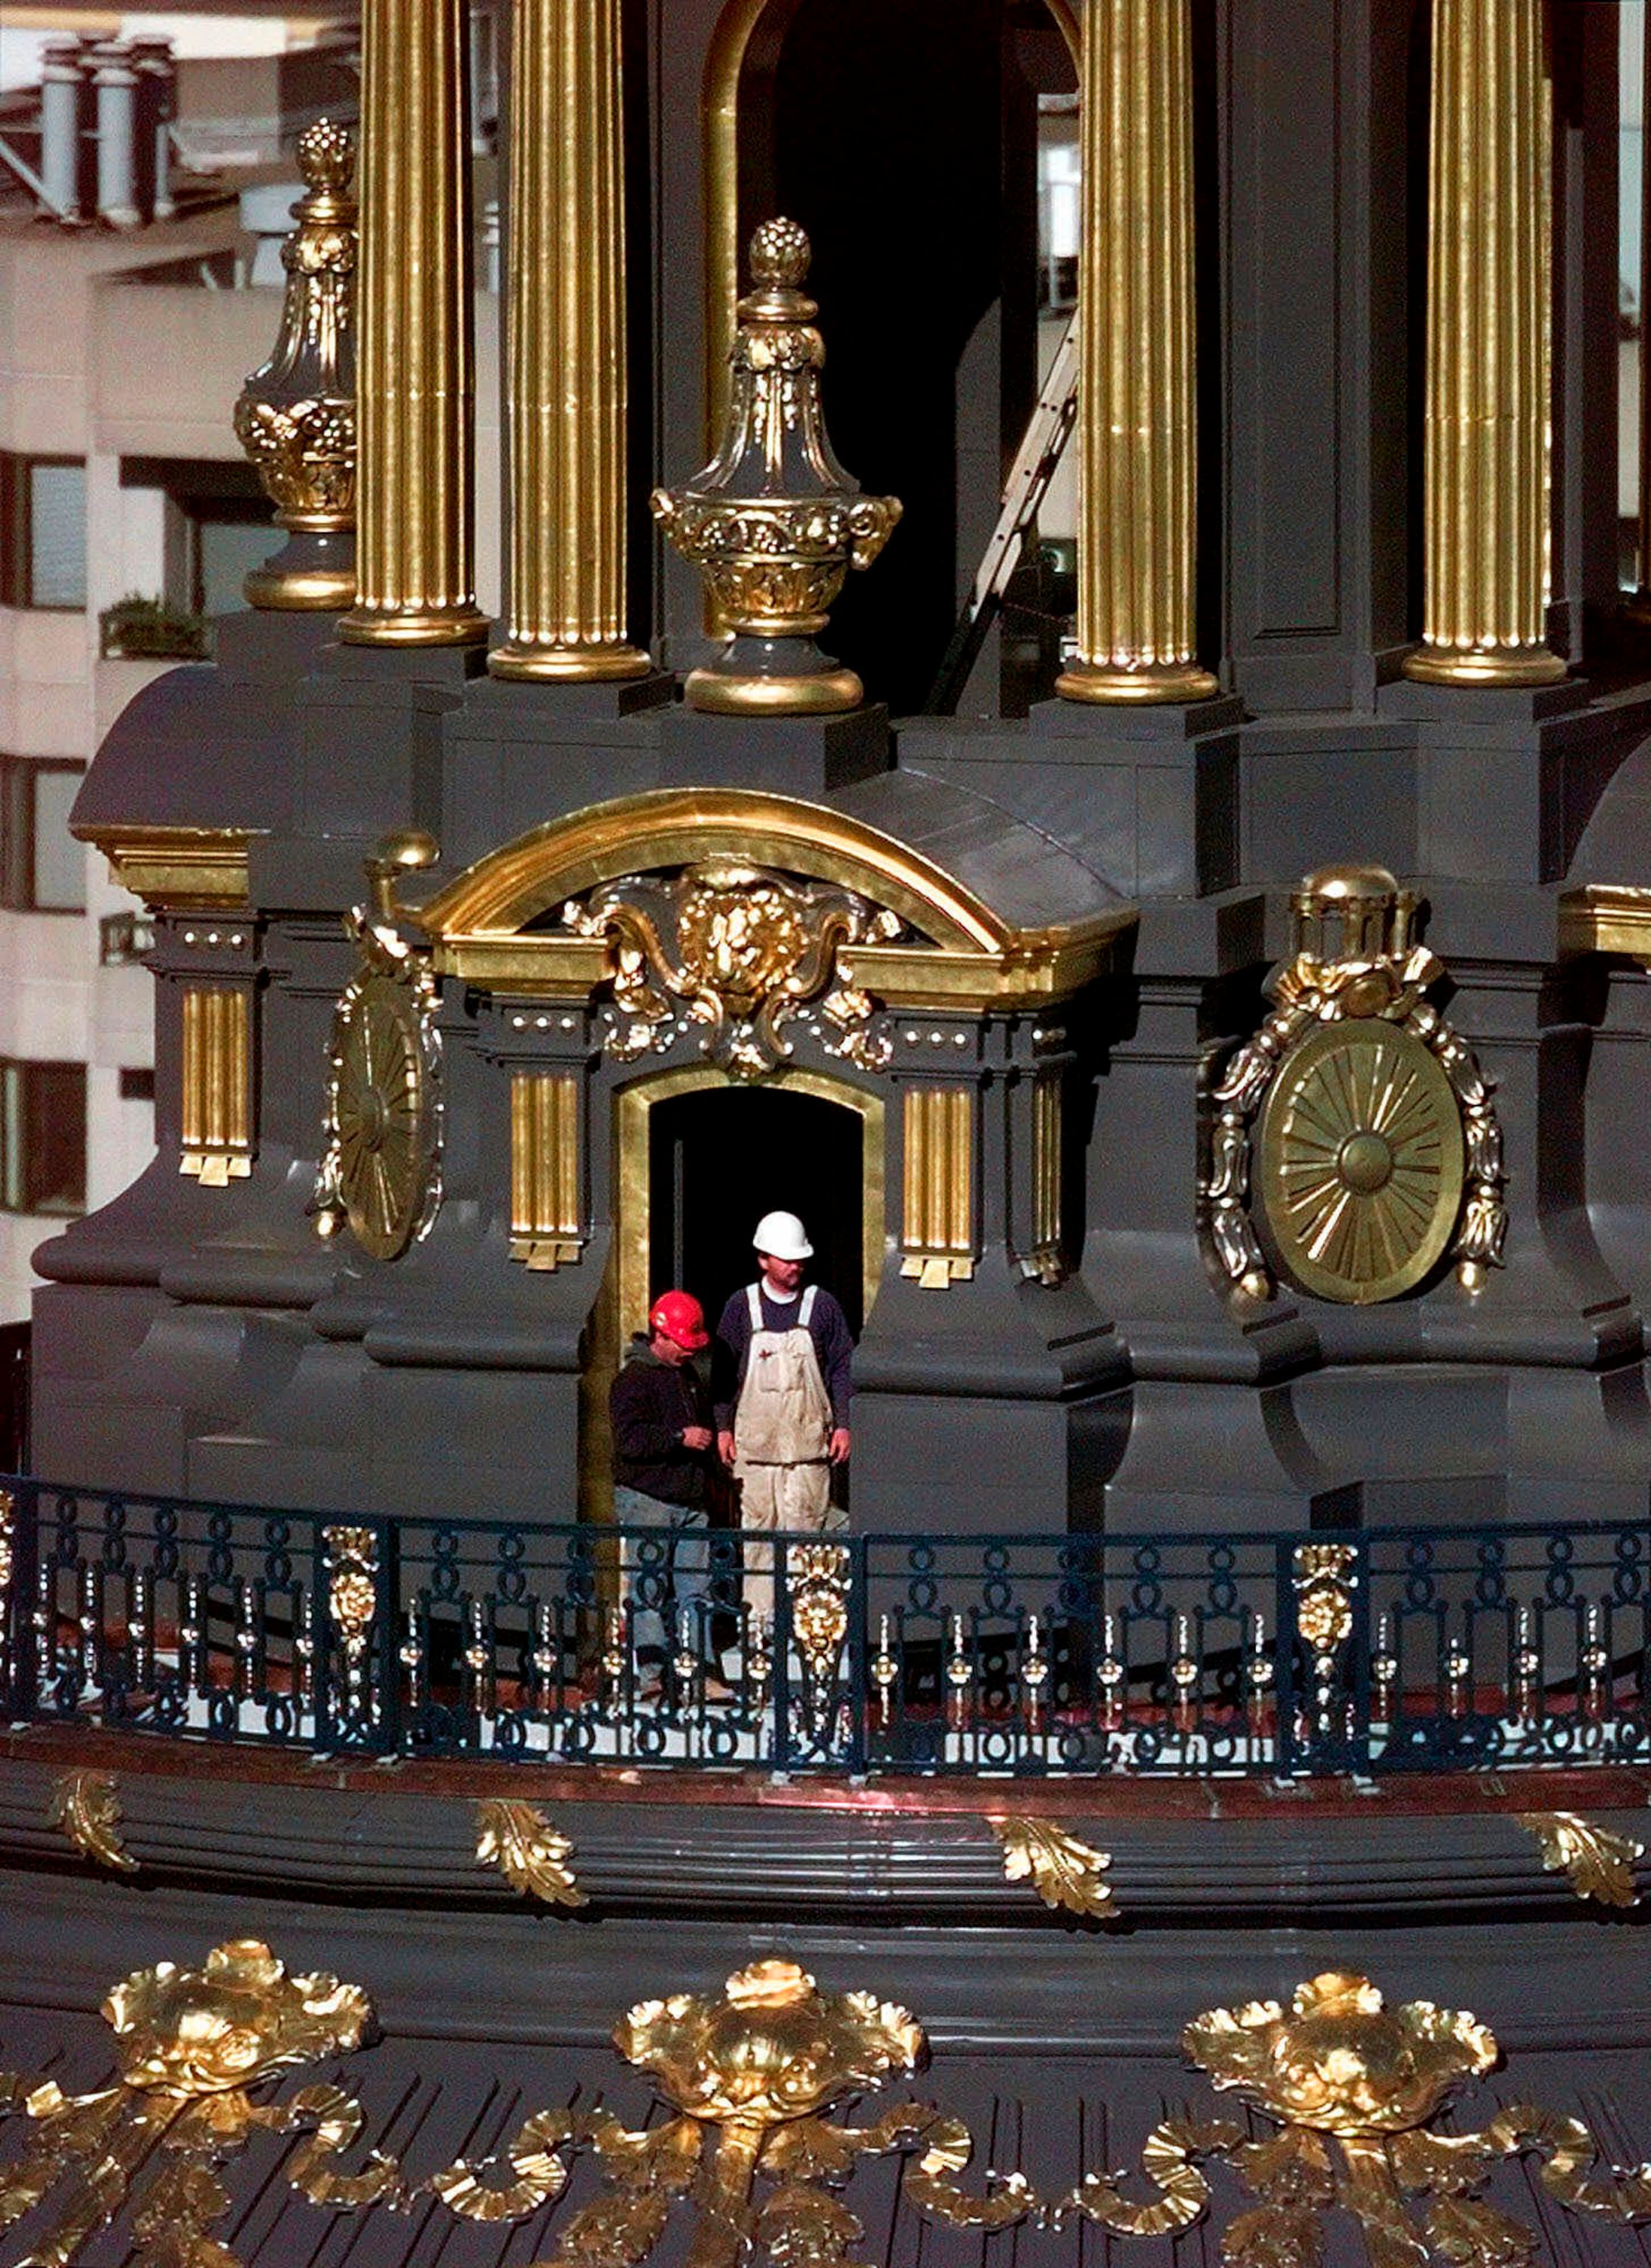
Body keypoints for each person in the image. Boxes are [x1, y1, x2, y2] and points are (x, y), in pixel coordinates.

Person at [714, 1210, 852, 1632]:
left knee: (808, 1542)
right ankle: (759, 1632)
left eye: (799, 1259)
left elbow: (842, 1366)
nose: (795, 1266)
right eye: (786, 1259)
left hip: (808, 1452)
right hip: (755, 1455)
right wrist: (723, 1426)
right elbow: (722, 1372)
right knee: (757, 1545)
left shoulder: (822, 1306)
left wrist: (844, 1423)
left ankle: (809, 1631)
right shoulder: (741, 1307)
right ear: (763, 1259)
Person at [610, 1290, 721, 1699]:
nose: (688, 1353)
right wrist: (679, 1437)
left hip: (690, 1500)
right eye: (683, 1344)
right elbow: (629, 1441)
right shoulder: (633, 1381)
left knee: (696, 1589)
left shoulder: (687, 1378)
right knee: (649, 1589)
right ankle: (650, 1676)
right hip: (649, 1499)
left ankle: (699, 1673)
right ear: (661, 1335)